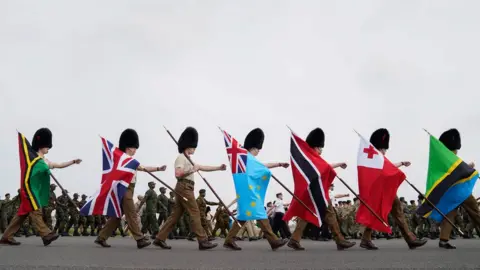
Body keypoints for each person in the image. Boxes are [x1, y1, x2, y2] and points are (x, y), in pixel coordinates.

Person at [0, 128, 82, 246]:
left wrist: (73, 161)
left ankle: (6, 237)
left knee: (21, 215)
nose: (49, 148)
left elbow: (58, 165)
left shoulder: (44, 160)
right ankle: (46, 234)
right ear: (41, 145)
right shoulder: (32, 158)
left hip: (35, 190)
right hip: (28, 189)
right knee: (36, 209)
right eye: (47, 146)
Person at [153, 126, 226, 250]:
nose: (195, 149)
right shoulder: (181, 158)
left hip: (186, 187)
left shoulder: (189, 159)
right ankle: (202, 241)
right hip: (184, 187)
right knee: (195, 212)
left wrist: (218, 167)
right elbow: (178, 174)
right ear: (189, 146)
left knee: (175, 216)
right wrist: (192, 170)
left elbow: (203, 167)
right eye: (193, 147)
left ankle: (160, 238)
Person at [94, 128, 167, 249]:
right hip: (125, 188)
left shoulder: (130, 161)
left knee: (117, 216)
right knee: (132, 214)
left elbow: (144, 168)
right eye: (134, 148)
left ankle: (101, 237)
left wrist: (158, 168)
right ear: (129, 147)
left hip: (129, 189)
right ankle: (139, 239)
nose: (135, 150)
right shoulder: (122, 159)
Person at [287, 128, 356, 251]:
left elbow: (324, 167)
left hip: (312, 193)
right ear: (315, 147)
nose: (321, 150)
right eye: (320, 148)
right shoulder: (312, 158)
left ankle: (294, 239)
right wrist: (339, 164)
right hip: (317, 193)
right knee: (330, 214)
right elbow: (324, 167)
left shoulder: (310, 158)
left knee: (306, 215)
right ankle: (340, 240)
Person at [360, 128, 427, 250]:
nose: (385, 151)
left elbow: (388, 167)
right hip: (380, 191)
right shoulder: (375, 157)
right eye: (384, 148)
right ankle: (409, 239)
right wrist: (400, 165)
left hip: (386, 191)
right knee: (379, 214)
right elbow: (386, 169)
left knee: (393, 212)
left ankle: (409, 238)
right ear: (380, 147)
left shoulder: (378, 158)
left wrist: (401, 163)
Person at [223, 128, 290, 251]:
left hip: (246, 192)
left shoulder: (245, 158)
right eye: (258, 149)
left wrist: (279, 164)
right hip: (250, 193)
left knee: (243, 216)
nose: (259, 151)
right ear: (255, 148)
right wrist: (270, 170)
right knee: (260, 212)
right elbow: (263, 168)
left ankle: (228, 240)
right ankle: (273, 241)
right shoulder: (248, 158)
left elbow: (263, 165)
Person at [436, 129, 480, 249]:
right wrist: (470, 167)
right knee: (475, 212)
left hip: (450, 192)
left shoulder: (444, 159)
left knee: (450, 214)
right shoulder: (452, 159)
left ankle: (443, 240)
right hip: (461, 191)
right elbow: (460, 172)